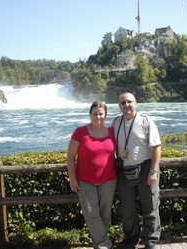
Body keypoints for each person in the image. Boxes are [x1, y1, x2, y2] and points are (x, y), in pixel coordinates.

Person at [112, 92, 161, 249]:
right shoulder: (116, 122)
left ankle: (150, 239)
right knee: (127, 210)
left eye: (129, 102)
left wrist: (153, 171)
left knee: (150, 206)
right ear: (119, 106)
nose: (126, 105)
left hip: (145, 169)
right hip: (124, 172)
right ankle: (131, 239)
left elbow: (156, 147)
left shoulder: (146, 121)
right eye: (123, 103)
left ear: (136, 103)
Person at [67, 101, 117, 249]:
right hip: (85, 181)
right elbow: (70, 157)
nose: (98, 117)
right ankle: (104, 245)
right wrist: (72, 179)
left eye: (101, 114)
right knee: (91, 214)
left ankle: (100, 244)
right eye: (95, 114)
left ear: (105, 115)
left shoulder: (112, 132)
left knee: (105, 215)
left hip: (109, 179)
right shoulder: (80, 132)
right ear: (90, 115)